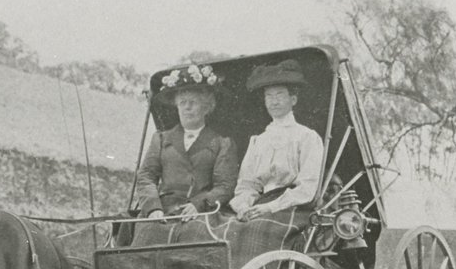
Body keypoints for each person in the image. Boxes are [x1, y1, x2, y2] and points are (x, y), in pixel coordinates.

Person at [134, 64, 239, 221]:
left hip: (202, 212)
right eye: (182, 103)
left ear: (206, 108)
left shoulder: (222, 143)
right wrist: (153, 208)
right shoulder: (161, 139)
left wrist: (199, 205)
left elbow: (225, 186)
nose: (187, 108)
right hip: (163, 211)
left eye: (193, 102)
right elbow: (146, 177)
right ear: (177, 107)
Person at [229, 59, 323, 221]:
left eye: (280, 94)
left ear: (293, 100)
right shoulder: (258, 141)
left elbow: (307, 188)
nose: (274, 101)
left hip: (293, 209)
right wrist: (244, 207)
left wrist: (271, 207)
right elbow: (246, 185)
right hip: (259, 207)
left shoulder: (307, 137)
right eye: (269, 96)